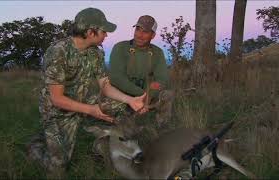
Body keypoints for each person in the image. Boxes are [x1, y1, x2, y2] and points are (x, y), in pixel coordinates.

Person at [27, 7, 146, 177]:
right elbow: (57, 99)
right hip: (58, 112)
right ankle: (36, 147)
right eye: (103, 31)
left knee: (122, 107)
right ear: (91, 32)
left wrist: (129, 100)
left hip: (84, 101)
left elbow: (105, 85)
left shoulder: (95, 53)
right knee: (59, 166)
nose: (106, 35)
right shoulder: (58, 52)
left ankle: (103, 146)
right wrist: (92, 111)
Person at [109, 15, 173, 126]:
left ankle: (160, 128)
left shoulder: (157, 53)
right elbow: (116, 78)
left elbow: (162, 79)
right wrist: (142, 95)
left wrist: (150, 95)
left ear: (153, 35)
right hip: (122, 94)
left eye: (145, 32)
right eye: (138, 29)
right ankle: (115, 126)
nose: (139, 35)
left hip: (147, 95)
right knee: (110, 108)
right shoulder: (120, 48)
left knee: (167, 95)